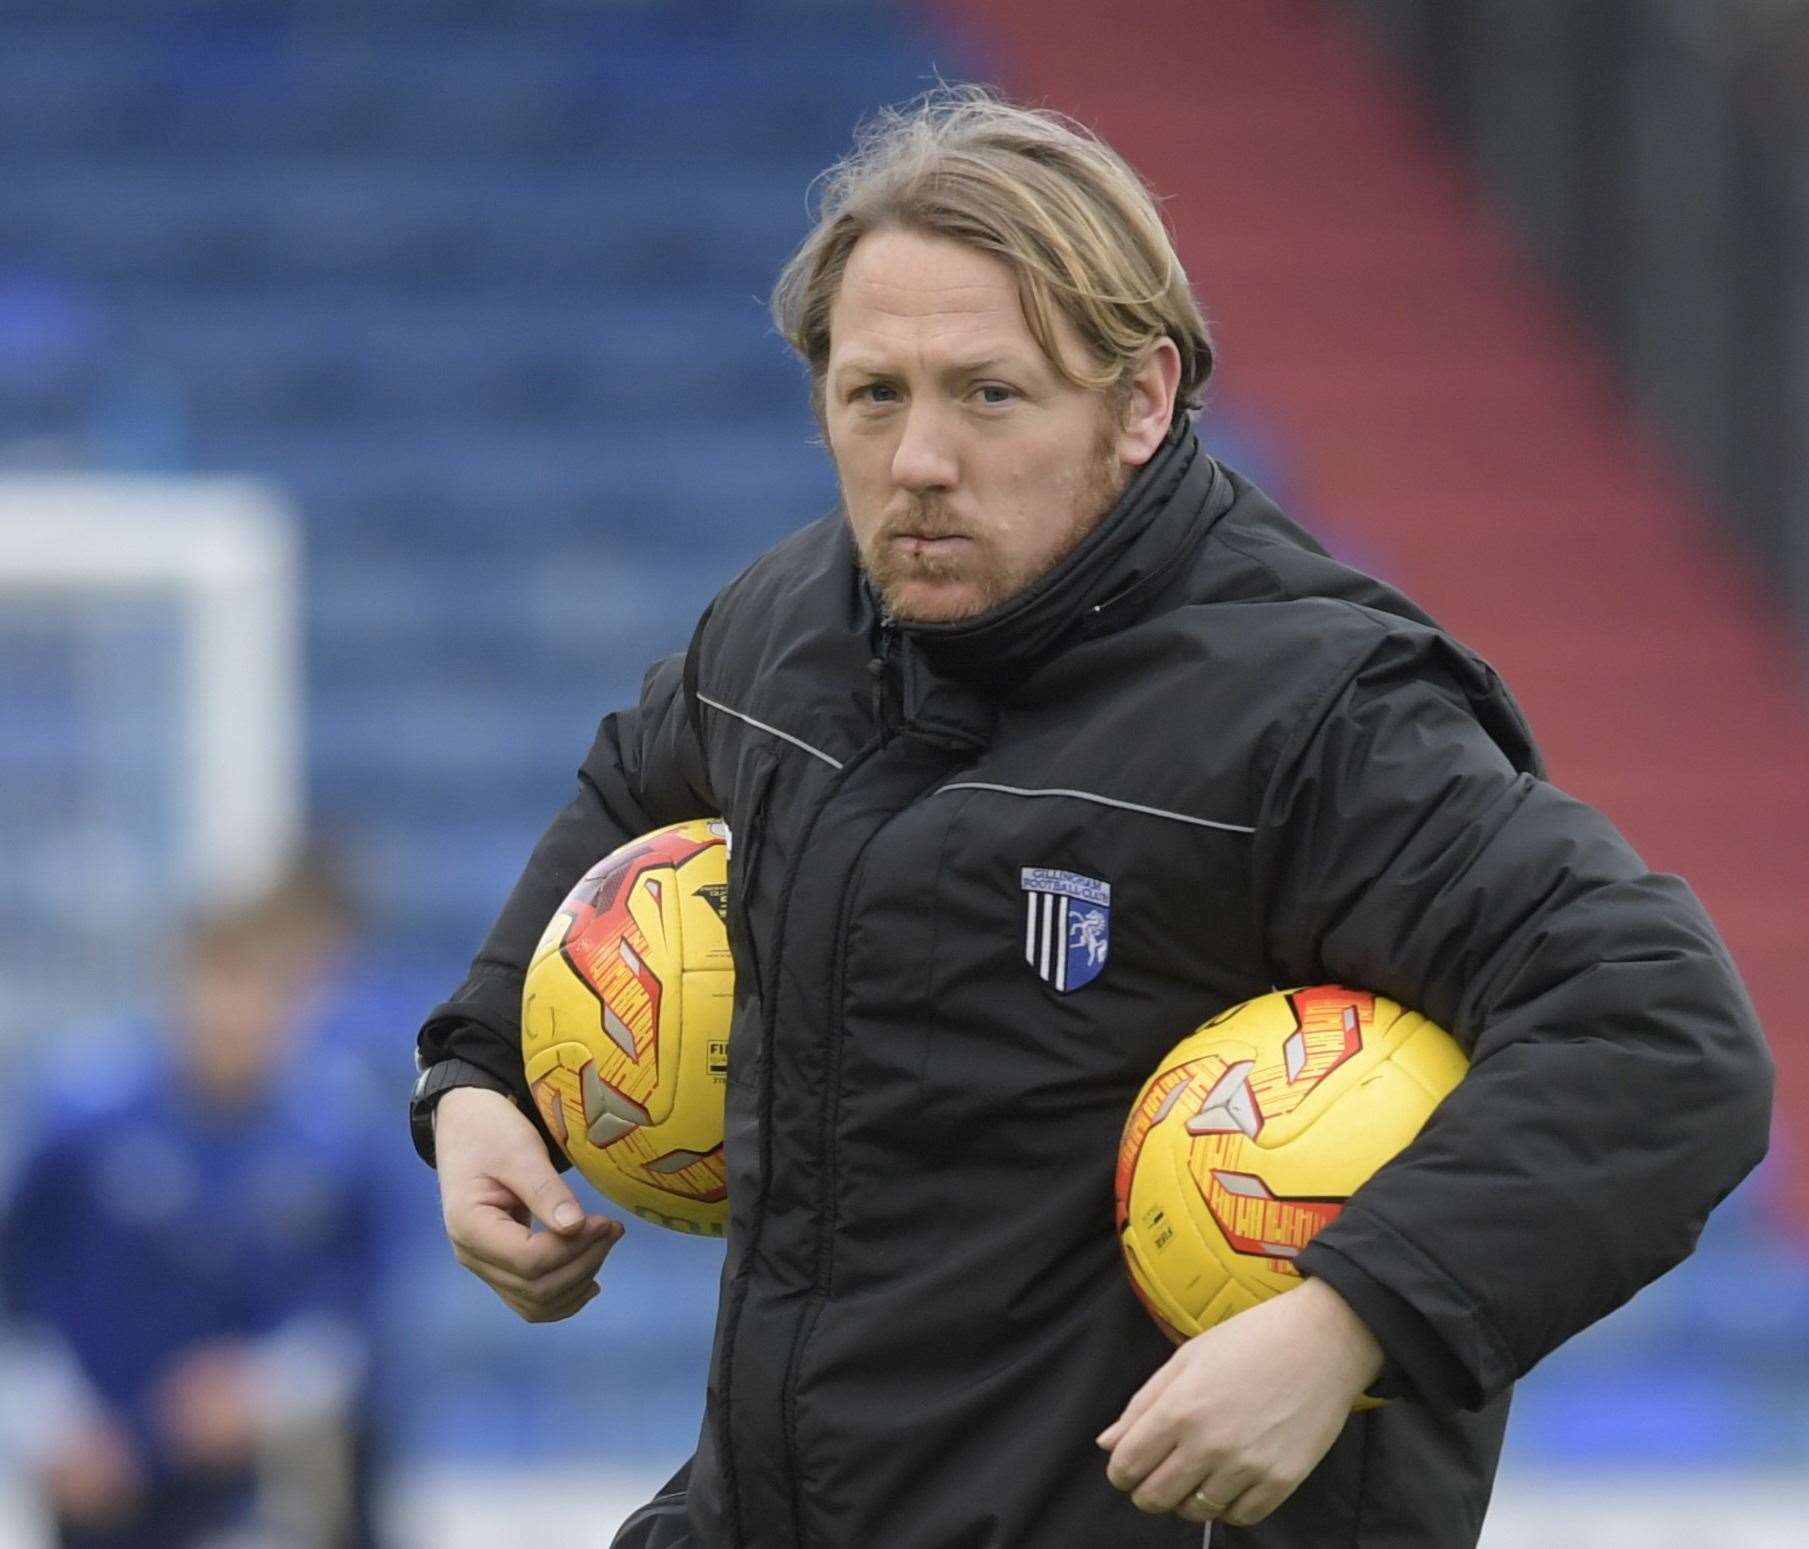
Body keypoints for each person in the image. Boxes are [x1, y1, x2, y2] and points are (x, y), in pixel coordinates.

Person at [408, 86, 1774, 1547]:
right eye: (875, 393)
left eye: (988, 394)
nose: (919, 459)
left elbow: (1662, 1034)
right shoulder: (790, 630)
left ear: (1140, 401)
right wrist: (479, 1071)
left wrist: (1345, 1320)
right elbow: (637, 784)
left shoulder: (1319, 712)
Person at [1, 862, 386, 1549]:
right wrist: (53, 1426)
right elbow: (16, 1294)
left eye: (257, 989)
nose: (232, 1013)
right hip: (102, 1483)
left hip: (253, 1489)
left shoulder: (333, 1141)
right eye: (216, 982)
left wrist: (261, 1390)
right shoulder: (84, 1120)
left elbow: (354, 1321)